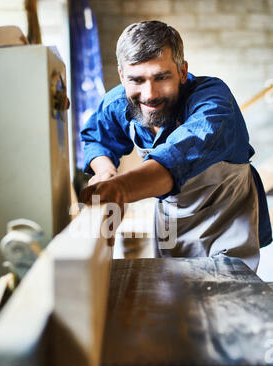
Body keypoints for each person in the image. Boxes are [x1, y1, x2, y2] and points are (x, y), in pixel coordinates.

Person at [80, 20, 272, 271]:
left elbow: (175, 159)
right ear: (122, 75)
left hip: (225, 225)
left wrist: (120, 189)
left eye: (161, 77)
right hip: (171, 223)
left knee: (225, 295)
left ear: (182, 71)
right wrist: (105, 172)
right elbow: (97, 138)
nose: (149, 94)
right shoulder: (120, 101)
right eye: (136, 79)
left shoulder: (213, 101)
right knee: (171, 293)